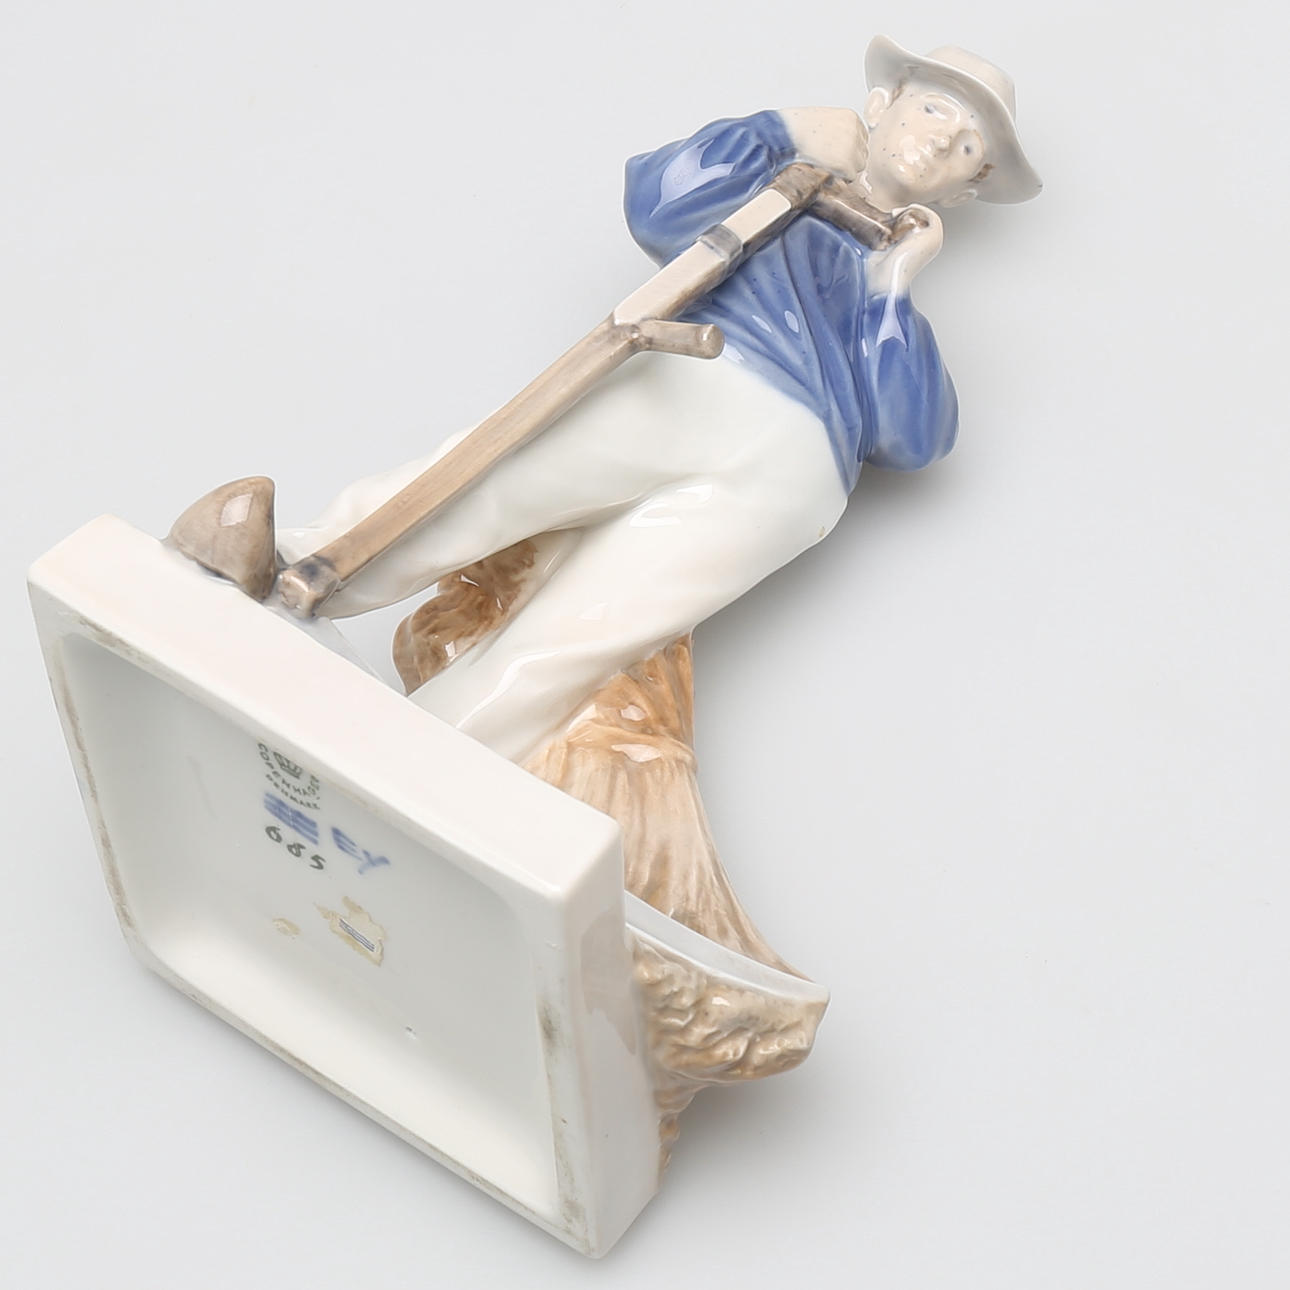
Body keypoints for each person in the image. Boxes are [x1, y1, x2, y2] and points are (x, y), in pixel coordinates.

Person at [276, 37, 1042, 764]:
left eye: (967, 147)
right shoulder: (781, 186)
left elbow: (918, 438)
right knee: (494, 477)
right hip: (695, 374)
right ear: (880, 105)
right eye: (934, 110)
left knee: (591, 630)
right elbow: (659, 200)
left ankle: (430, 761)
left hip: (795, 472)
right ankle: (295, 565)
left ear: (965, 191)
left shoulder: (890, 293)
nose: (941, 141)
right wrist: (784, 130)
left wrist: (893, 286)